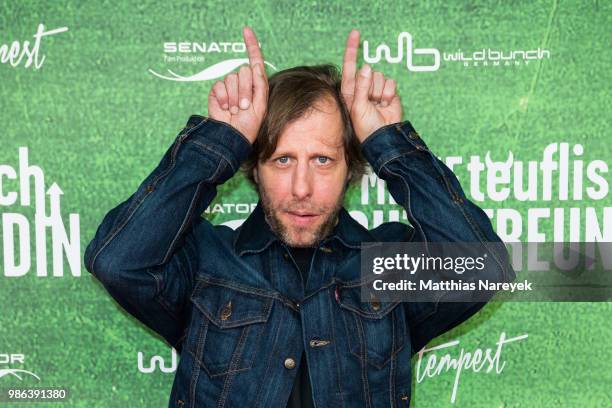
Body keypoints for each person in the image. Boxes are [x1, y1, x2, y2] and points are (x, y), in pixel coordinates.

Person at [84, 27, 514, 407]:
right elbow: (118, 261)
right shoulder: (203, 259)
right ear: (252, 166)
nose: (302, 188)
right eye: (282, 159)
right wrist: (221, 140)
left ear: (353, 168)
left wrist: (387, 141)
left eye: (324, 160)